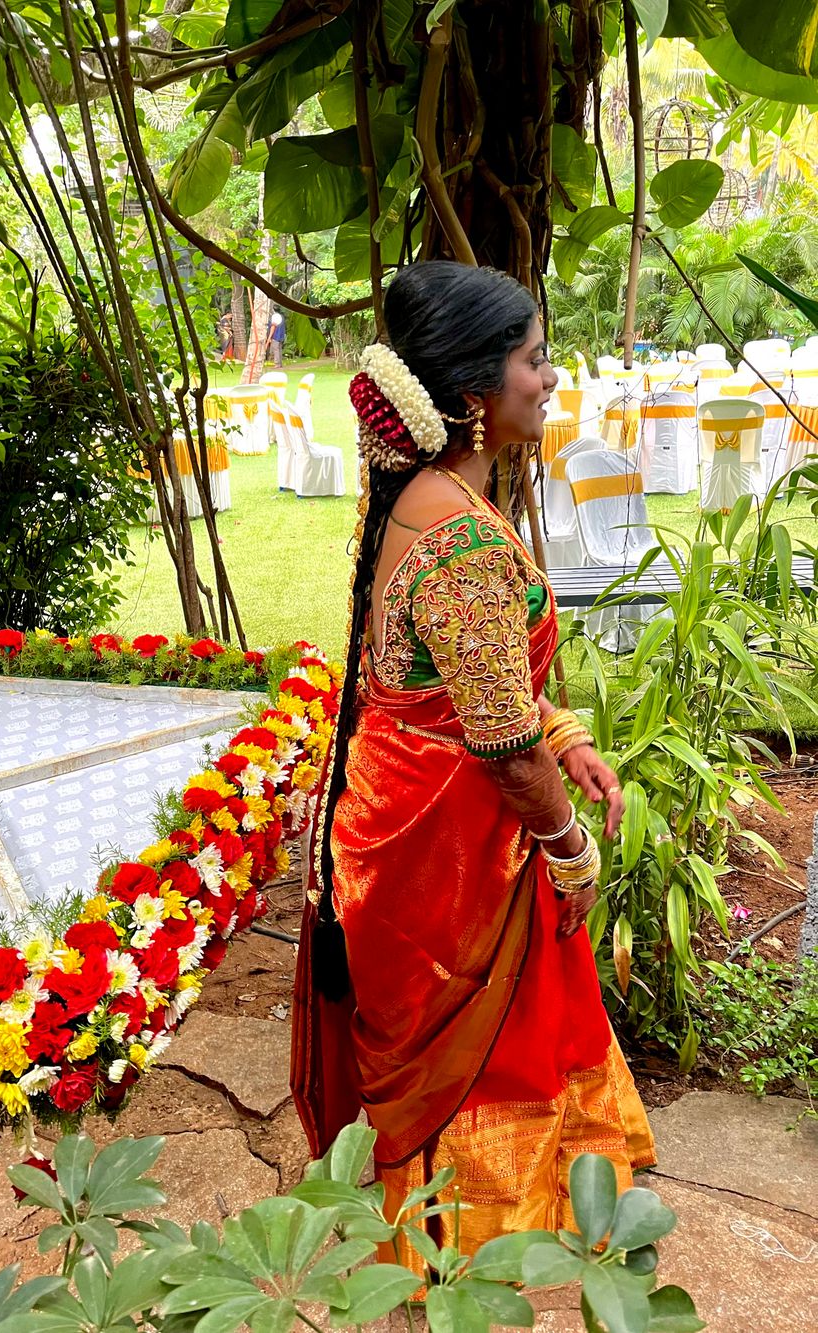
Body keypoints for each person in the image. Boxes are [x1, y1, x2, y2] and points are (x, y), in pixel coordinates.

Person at [291, 261, 654, 1274]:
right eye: (533, 360)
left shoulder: (419, 493)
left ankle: (435, 1227)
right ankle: (471, 1243)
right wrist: (568, 846)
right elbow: (495, 739)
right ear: (472, 397)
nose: (548, 378)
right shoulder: (461, 539)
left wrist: (565, 736)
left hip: (398, 822)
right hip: (447, 857)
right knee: (490, 1046)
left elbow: (478, 690)